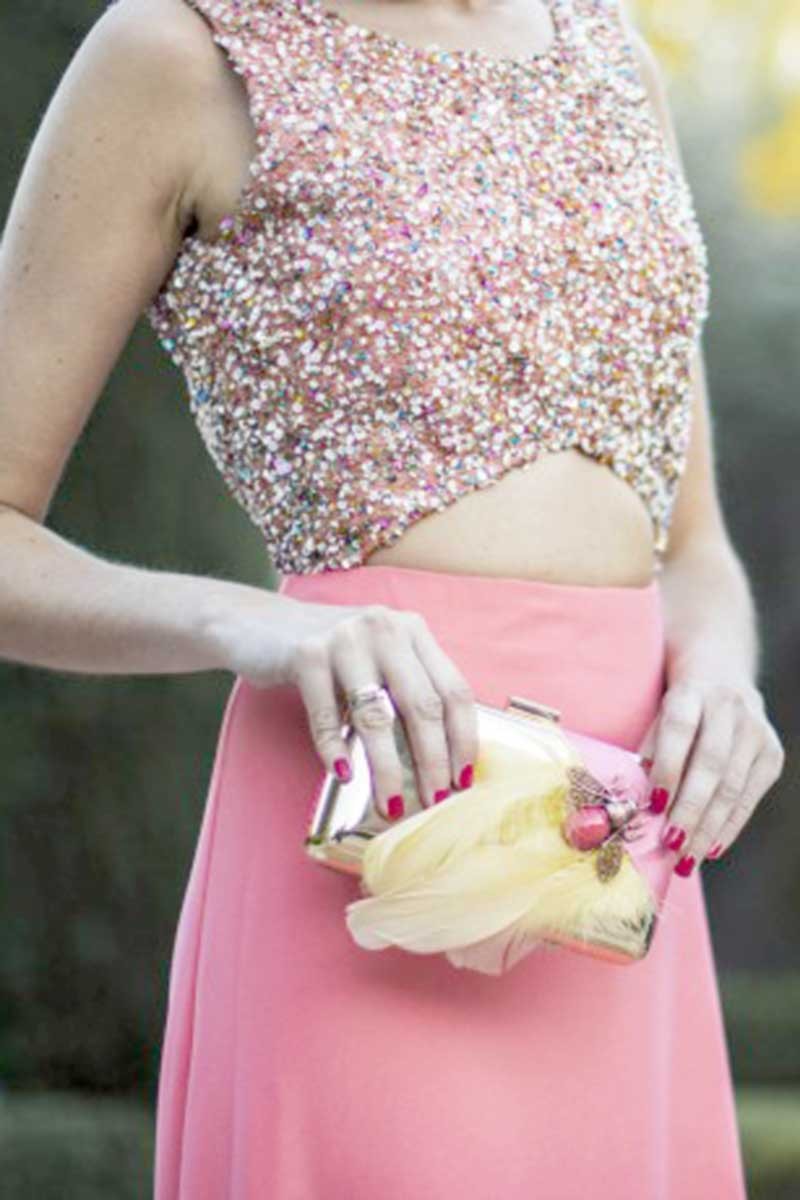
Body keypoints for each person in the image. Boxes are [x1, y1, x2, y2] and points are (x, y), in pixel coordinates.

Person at [0, 0, 785, 1194]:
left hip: (615, 884)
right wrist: (250, 624)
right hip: (362, 857)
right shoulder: (180, 48)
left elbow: (689, 551)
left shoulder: (611, 52)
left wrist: (724, 679)